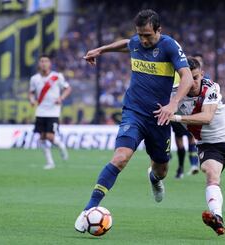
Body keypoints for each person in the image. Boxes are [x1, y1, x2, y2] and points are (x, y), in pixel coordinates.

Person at [74, 9, 193, 233]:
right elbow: (126, 43)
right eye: (140, 35)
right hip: (134, 112)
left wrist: (173, 103)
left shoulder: (168, 46)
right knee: (120, 158)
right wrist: (101, 50)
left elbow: (186, 76)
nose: (144, 40)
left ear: (159, 30)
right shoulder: (137, 42)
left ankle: (154, 179)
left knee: (161, 169)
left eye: (148, 35)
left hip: (160, 116)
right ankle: (88, 209)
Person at [167, 57, 225, 235]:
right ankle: (217, 217)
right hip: (208, 144)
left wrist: (177, 118)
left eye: (196, 77)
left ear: (201, 74)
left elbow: (207, 117)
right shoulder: (174, 95)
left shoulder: (210, 87)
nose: (193, 83)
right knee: (211, 175)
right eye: (189, 78)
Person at [29, 54, 71, 170]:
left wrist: (61, 98)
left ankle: (61, 146)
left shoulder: (57, 77)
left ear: (50, 63)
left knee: (50, 136)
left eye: (46, 61)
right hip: (40, 111)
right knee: (42, 137)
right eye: (41, 61)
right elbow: (31, 92)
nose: (43, 63)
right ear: (39, 64)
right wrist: (32, 100)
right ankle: (50, 162)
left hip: (53, 112)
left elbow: (68, 88)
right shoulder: (34, 79)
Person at [171, 54, 207, 179]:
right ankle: (181, 167)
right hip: (177, 108)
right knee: (180, 141)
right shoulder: (179, 72)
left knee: (191, 138)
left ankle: (193, 165)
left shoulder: (205, 81)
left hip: (190, 111)